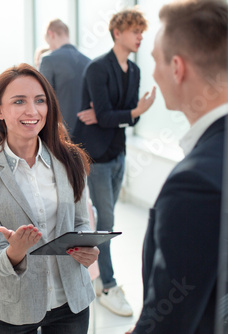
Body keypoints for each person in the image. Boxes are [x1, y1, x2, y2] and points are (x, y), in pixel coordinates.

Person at [0, 63, 99, 333]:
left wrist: (88, 247)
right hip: (13, 307)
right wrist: (15, 252)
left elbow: (81, 222)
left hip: (70, 302)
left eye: (40, 101)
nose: (32, 111)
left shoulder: (70, 159)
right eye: (19, 101)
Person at [131, 1, 227, 333]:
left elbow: (171, 322)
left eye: (155, 60)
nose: (153, 71)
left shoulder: (195, 183)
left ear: (177, 68)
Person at [71, 7, 156, 317]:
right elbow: (120, 114)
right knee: (105, 222)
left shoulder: (133, 71)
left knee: (104, 218)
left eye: (142, 32)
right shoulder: (97, 68)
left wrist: (118, 116)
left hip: (118, 153)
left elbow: (113, 117)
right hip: (96, 156)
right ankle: (107, 284)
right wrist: (135, 111)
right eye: (136, 31)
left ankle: (95, 275)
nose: (140, 37)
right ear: (118, 33)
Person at [39, 19, 90, 134]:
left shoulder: (48, 60)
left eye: (47, 42)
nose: (49, 46)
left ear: (51, 34)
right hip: (87, 134)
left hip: (60, 133)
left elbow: (41, 98)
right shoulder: (88, 61)